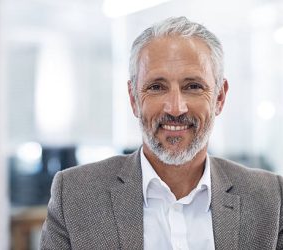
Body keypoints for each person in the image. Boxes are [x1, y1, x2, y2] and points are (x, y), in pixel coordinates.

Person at [40, 16, 283, 250]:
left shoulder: (271, 198)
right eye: (156, 87)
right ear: (134, 99)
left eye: (193, 87)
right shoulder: (74, 196)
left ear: (219, 97)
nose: (176, 108)